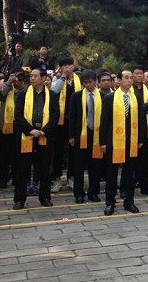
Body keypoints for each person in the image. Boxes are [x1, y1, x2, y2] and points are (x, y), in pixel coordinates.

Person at [100, 70, 146, 215]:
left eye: (131, 78)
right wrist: (103, 142)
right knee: (112, 173)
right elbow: (104, 121)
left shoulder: (137, 98)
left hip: (131, 141)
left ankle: (129, 202)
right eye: (126, 78)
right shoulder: (110, 97)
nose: (130, 80)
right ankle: (110, 203)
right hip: (113, 140)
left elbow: (141, 120)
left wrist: (140, 139)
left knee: (129, 173)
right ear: (118, 80)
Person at [13, 69, 59, 209]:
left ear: (43, 78)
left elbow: (55, 115)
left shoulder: (52, 95)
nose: (32, 78)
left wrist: (44, 131)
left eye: (35, 76)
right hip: (26, 135)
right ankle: (20, 199)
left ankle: (44, 197)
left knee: (45, 168)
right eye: (31, 76)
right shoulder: (22, 94)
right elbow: (18, 115)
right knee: (23, 169)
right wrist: (30, 130)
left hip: (44, 136)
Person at [68, 70, 103, 203]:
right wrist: (71, 136)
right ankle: (79, 193)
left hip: (97, 134)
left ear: (95, 82)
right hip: (80, 134)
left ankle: (93, 192)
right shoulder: (76, 96)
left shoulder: (102, 96)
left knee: (95, 165)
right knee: (79, 166)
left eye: (90, 82)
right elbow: (72, 117)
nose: (88, 85)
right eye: (85, 82)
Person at [50, 56, 82, 193]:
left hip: (74, 120)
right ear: (61, 67)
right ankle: (56, 178)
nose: (68, 68)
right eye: (65, 66)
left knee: (74, 150)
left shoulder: (79, 79)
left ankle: (71, 177)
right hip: (59, 120)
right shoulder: (57, 79)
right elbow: (53, 91)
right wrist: (62, 77)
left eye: (70, 65)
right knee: (58, 151)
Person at [131, 65, 148, 196]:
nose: (139, 75)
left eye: (141, 73)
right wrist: (144, 107)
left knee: (146, 159)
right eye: (136, 73)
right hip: (132, 128)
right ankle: (131, 184)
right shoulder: (129, 90)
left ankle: (145, 186)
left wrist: (141, 107)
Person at [0, 71, 26, 188]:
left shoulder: (25, 89)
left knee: (18, 154)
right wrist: (9, 82)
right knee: (4, 153)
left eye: (20, 76)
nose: (18, 78)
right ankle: (3, 178)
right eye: (16, 76)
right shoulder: (6, 88)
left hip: (20, 126)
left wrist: (22, 84)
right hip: (7, 125)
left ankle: (16, 177)